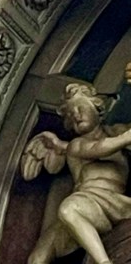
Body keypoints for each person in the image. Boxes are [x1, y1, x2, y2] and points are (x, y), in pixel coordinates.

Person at [21, 78, 131, 264]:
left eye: (80, 108)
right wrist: (126, 138)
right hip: (87, 202)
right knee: (37, 257)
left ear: (97, 107)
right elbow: (99, 148)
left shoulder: (118, 131)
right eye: (70, 115)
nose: (76, 116)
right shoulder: (76, 145)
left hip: (113, 203)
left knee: (69, 209)